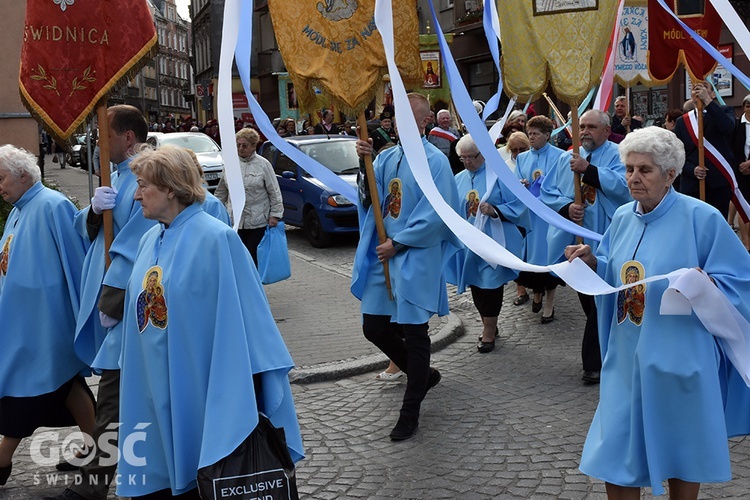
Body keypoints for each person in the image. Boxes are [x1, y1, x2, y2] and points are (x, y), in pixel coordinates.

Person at [566, 126, 750, 499]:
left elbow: (740, 282)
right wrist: (592, 263)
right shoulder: (621, 217)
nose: (634, 178)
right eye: (630, 168)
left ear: (670, 174)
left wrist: (705, 286)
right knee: (615, 452)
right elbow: (619, 275)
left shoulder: (703, 218)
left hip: (679, 359)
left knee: (681, 451)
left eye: (645, 170)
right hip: (625, 358)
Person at [115, 145, 303, 498]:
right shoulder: (147, 239)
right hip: (153, 387)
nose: (136, 194)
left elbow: (249, 322)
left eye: (143, 185)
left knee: (198, 477)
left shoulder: (217, 239)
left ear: (170, 188)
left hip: (201, 387)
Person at [46, 104, 156, 500]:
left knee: (115, 393)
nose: (98, 144)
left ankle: (90, 486)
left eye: (105, 135)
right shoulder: (117, 176)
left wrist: (115, 299)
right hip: (113, 300)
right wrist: (93, 213)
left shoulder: (148, 177)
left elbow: (140, 249)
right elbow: (91, 232)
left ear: (127, 138)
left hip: (129, 306)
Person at [352, 92, 459, 441]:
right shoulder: (386, 158)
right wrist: (363, 165)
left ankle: (410, 412)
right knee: (374, 327)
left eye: (409, 118)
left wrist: (399, 242)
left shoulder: (436, 162)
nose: (399, 124)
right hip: (384, 254)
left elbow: (439, 212)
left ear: (425, 121)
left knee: (414, 334)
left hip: (414, 255)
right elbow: (371, 199)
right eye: (397, 117)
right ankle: (422, 373)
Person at [0, 145, 95, 487]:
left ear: (23, 175)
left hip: (47, 322)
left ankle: (3, 458)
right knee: (67, 383)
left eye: (2, 178)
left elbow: (77, 262)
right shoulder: (18, 209)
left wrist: (83, 313)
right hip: (23, 322)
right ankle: (94, 445)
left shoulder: (53, 205)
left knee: (29, 388)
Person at [540, 109, 631, 385]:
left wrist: (589, 171)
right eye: (582, 127)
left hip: (607, 238)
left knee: (602, 300)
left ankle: (593, 361)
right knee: (590, 302)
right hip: (577, 242)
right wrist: (567, 208)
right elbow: (547, 193)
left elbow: (625, 188)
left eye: (592, 127)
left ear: (606, 130)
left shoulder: (619, 153)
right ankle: (606, 351)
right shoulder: (566, 157)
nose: (585, 132)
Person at [452, 135, 529, 352]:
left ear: (483, 154)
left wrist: (496, 210)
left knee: (490, 284)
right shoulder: (458, 179)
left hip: (495, 241)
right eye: (463, 158)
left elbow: (517, 204)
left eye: (471, 157)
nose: (467, 162)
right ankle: (489, 324)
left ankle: (488, 332)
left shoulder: (499, 176)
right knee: (476, 284)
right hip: (470, 243)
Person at [515, 116, 567, 322]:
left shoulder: (560, 156)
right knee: (533, 260)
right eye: (530, 134)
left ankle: (549, 304)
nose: (532, 137)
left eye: (536, 134)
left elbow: (563, 184)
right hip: (531, 217)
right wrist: (521, 184)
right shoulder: (522, 158)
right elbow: (515, 180)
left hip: (550, 216)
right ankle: (537, 293)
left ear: (547, 135)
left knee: (550, 258)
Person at [214, 127, 283, 265]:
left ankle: (254, 284)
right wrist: (214, 211)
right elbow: (221, 192)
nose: (240, 148)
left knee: (252, 255)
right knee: (237, 256)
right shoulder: (230, 165)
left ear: (253, 146)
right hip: (235, 220)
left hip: (257, 220)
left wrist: (275, 215)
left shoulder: (263, 165)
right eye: (238, 145)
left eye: (244, 145)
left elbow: (274, 191)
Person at [673, 80, 736, 219]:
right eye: (696, 88)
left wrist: (707, 101)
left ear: (713, 94)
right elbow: (676, 155)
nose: (699, 90)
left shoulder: (726, 111)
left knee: (716, 226)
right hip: (692, 185)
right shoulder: (682, 122)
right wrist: (692, 169)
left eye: (704, 87)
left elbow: (727, 127)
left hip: (718, 184)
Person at [731, 94, 750, 251]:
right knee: (743, 206)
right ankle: (745, 242)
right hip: (739, 172)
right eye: (748, 106)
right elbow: (731, 148)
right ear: (743, 107)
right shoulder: (737, 125)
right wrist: (741, 166)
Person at [427, 109, 462, 174]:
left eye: (447, 118)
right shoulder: (433, 134)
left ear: (450, 120)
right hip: (441, 164)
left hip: (455, 165)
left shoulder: (455, 132)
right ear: (438, 121)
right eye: (443, 118)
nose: (445, 120)